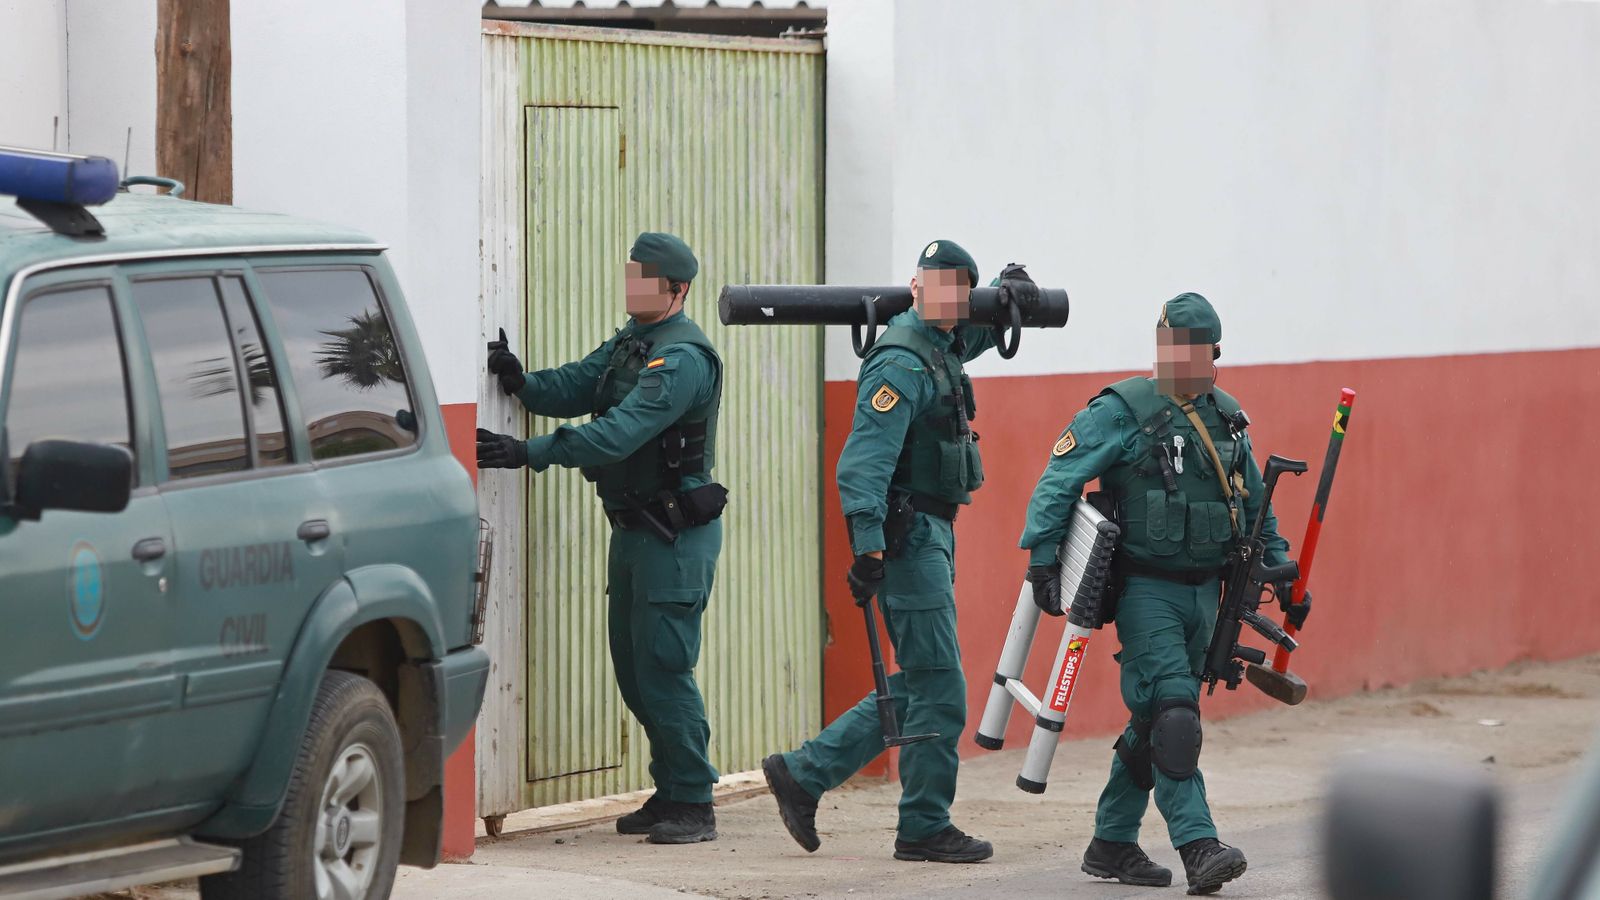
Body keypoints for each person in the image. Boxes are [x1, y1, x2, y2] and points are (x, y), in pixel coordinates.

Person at [1016, 292, 1311, 894]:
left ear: (1214, 352)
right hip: (1146, 590)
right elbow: (1058, 481)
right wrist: (1043, 561)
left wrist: (1287, 580)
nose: (1181, 360)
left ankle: (1111, 843)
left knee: (1153, 720)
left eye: (1194, 349)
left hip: (1209, 594)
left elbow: (1255, 509)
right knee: (1176, 715)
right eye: (1171, 348)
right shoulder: (1121, 409)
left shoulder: (1228, 418)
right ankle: (1199, 846)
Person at [763, 239, 1025, 864]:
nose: (941, 295)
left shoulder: (939, 344)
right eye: (931, 282)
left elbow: (969, 341)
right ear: (914, 286)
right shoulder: (901, 362)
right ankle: (923, 826)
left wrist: (1011, 296)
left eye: (957, 288)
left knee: (924, 681)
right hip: (908, 539)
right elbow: (863, 463)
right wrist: (869, 549)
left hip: (930, 533)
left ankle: (804, 772)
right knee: (943, 688)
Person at [476, 232, 728, 845]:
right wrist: (523, 384)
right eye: (630, 274)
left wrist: (525, 452)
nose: (632, 286)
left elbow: (618, 432)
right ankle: (669, 789)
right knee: (633, 668)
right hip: (635, 531)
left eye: (645, 278)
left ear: (677, 289)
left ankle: (693, 801)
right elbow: (583, 383)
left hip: (673, 536)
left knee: (665, 667)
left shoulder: (683, 358)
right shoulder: (633, 341)